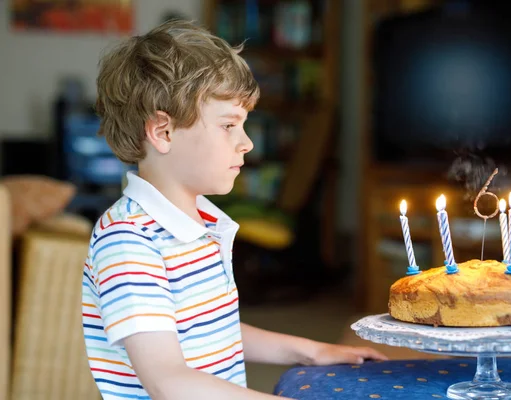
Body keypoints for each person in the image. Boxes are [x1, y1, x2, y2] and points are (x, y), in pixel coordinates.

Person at [81, 20, 387, 400]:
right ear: (163, 132)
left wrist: (312, 350)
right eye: (228, 125)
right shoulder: (129, 240)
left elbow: (213, 329)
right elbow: (167, 381)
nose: (246, 143)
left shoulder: (202, 224)